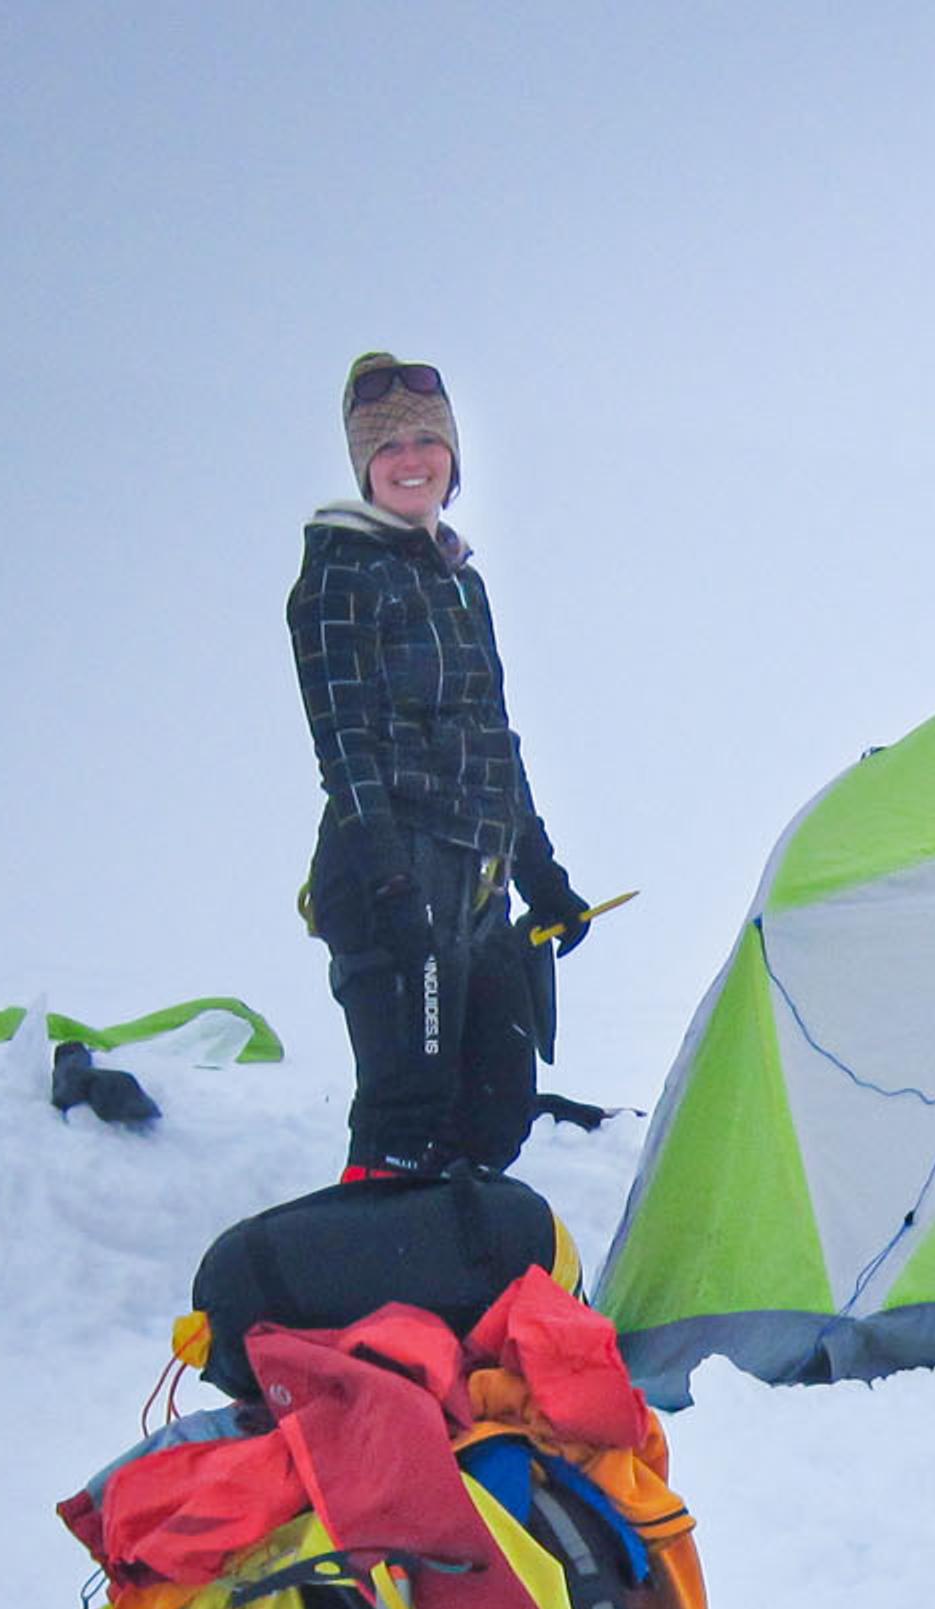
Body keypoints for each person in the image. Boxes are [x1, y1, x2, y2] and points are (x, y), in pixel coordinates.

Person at [291, 352, 590, 1179]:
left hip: (475, 883)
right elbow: (344, 747)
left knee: (496, 1102)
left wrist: (543, 873)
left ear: (454, 457)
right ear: (363, 467)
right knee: (407, 1109)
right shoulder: (338, 577)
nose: (412, 459)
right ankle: (375, 1280)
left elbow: (494, 736)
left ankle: (450, 1276)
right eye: (388, 447)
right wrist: (392, 887)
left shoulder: (463, 584)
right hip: (388, 872)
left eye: (428, 439)